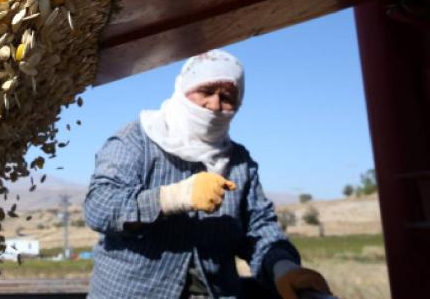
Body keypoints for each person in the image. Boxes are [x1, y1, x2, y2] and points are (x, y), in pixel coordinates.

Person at [84, 50, 332, 299]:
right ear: (184, 89)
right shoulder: (136, 140)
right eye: (206, 92)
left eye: (226, 97)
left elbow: (259, 227)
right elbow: (100, 206)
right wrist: (174, 197)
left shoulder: (239, 162)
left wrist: (283, 267)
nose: (214, 105)